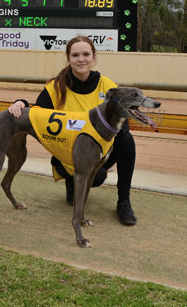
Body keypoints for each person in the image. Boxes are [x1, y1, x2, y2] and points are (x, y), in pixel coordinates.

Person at [8, 35, 138, 225]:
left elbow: (121, 121)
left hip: (95, 155)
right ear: (68, 59)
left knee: (125, 139)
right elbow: (38, 112)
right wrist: (21, 103)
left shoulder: (107, 86)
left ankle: (124, 201)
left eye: (86, 54)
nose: (81, 59)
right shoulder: (56, 87)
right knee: (83, 184)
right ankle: (73, 181)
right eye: (75, 55)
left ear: (94, 57)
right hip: (67, 155)